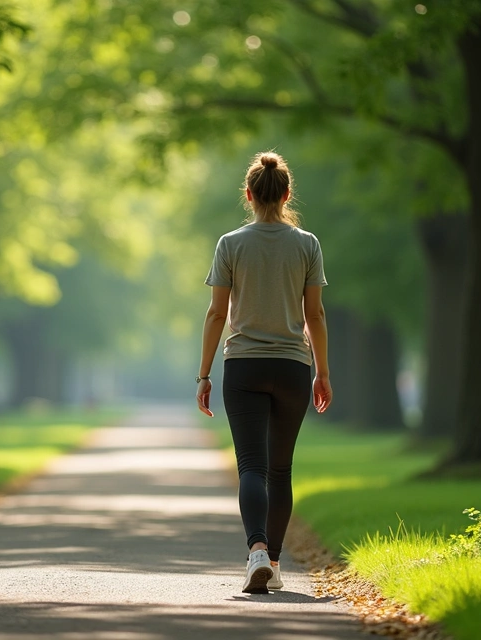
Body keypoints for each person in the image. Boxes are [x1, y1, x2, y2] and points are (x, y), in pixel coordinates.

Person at [196, 151, 332, 594]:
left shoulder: (230, 244)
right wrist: (323, 373)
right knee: (281, 470)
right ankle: (273, 564)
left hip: (244, 365)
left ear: (249, 195)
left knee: (251, 465)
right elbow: (316, 314)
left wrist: (203, 375)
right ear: (287, 193)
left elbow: (217, 314)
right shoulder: (307, 244)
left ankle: (255, 549)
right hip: (294, 366)